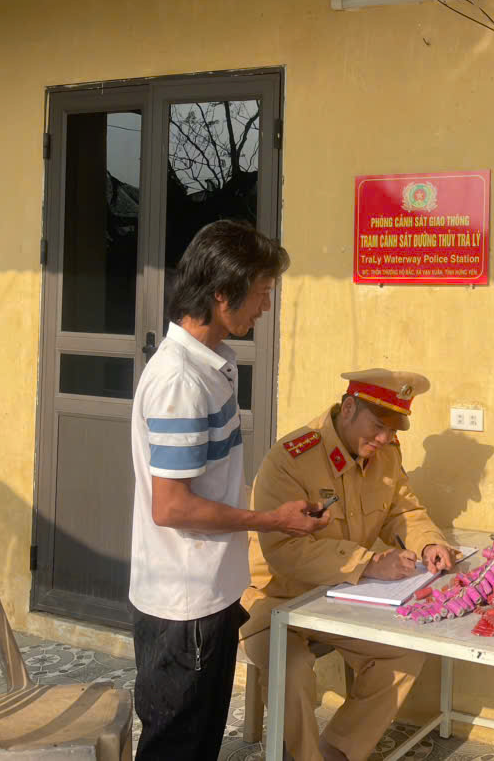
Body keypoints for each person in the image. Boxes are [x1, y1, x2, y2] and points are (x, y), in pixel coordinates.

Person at [128, 220, 331, 761]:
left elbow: (208, 481)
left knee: (200, 744)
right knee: (177, 748)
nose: (265, 306)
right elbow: (172, 506)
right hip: (184, 604)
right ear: (222, 293)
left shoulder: (213, 366)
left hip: (210, 594)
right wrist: (273, 521)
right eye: (261, 292)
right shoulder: (180, 381)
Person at [240, 369, 456, 761]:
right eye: (378, 427)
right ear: (350, 407)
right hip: (274, 599)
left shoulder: (386, 455)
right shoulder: (292, 459)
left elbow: (404, 511)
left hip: (340, 596)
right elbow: (283, 550)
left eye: (392, 430)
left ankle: (338, 751)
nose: (384, 439)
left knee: (406, 652)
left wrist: (428, 543)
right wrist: (369, 563)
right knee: (292, 672)